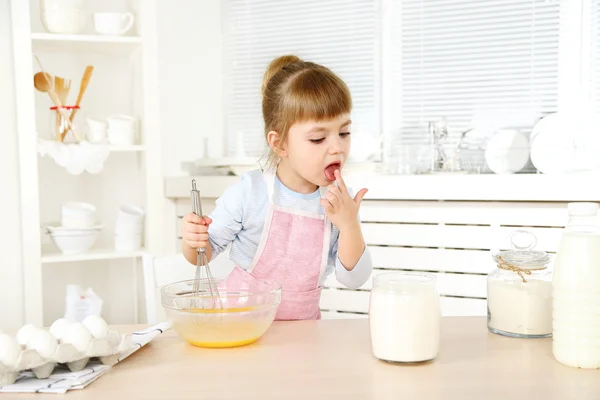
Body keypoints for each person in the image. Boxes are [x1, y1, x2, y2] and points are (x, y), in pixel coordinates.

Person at [181, 55, 373, 320]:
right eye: (318, 138)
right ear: (279, 143)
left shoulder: (342, 202)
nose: (337, 147)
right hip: (239, 327)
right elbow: (201, 256)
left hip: (303, 335)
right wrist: (193, 240)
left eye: (343, 133)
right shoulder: (251, 192)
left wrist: (349, 225)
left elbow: (355, 278)